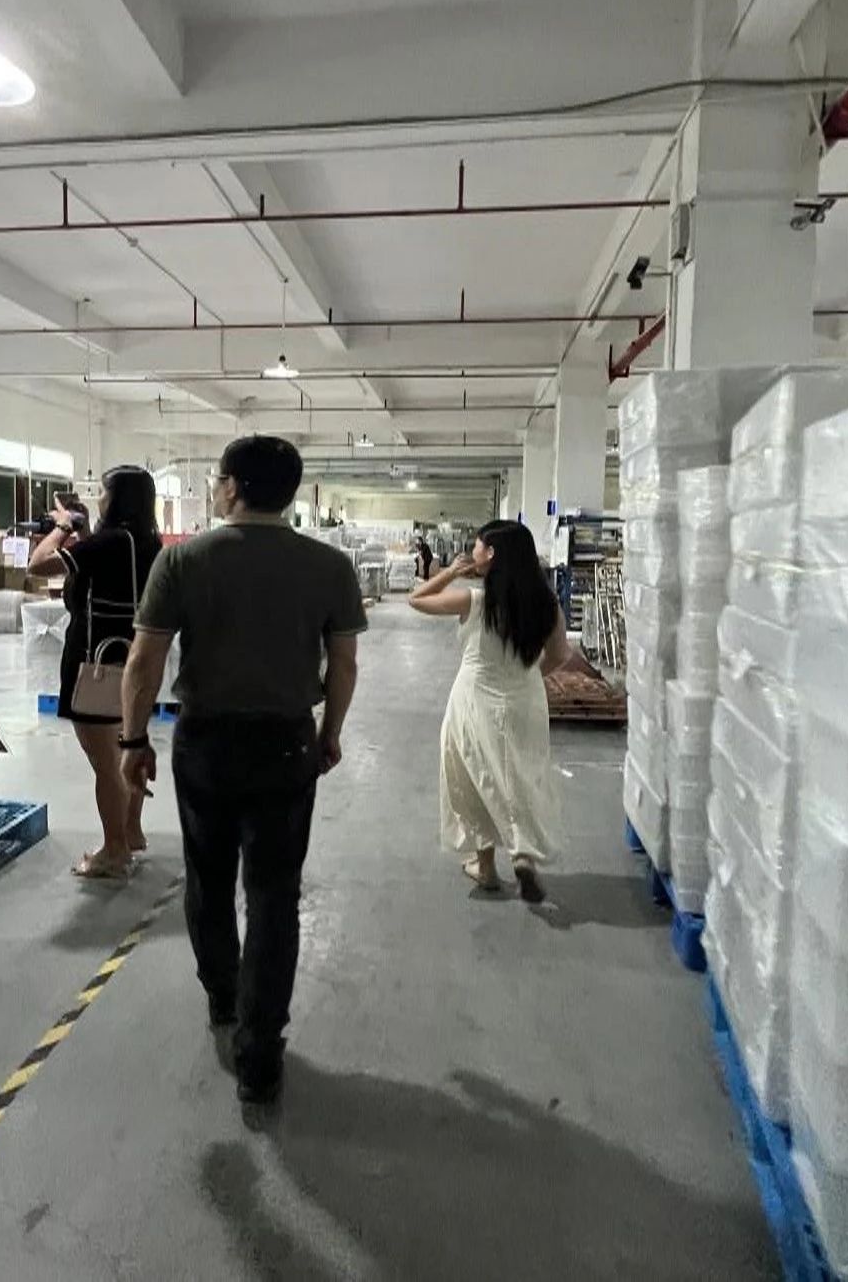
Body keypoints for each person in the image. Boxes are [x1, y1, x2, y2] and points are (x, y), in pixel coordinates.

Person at [118, 436, 366, 1104]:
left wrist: (132, 739)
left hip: (206, 741)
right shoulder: (328, 566)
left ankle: (223, 996)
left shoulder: (183, 561)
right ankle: (260, 1053)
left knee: (208, 876)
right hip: (286, 743)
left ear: (230, 486)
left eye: (216, 479)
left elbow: (143, 662)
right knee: (274, 894)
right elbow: (343, 665)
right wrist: (329, 733)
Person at [409, 519, 570, 902]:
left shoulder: (475, 601)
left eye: (478, 546)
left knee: (473, 777)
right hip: (525, 701)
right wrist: (527, 676)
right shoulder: (547, 605)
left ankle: (485, 867)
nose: (473, 552)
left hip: (474, 698)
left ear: (492, 554)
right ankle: (523, 854)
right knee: (520, 776)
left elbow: (417, 599)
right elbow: (559, 655)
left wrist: (451, 572)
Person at [29, 466, 163, 880]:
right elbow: (106, 572)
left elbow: (38, 565)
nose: (99, 499)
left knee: (106, 763)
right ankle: (132, 830)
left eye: (103, 492)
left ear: (117, 498)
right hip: (133, 663)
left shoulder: (111, 541)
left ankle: (114, 850)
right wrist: (85, 532)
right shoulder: (147, 542)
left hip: (95, 665)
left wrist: (62, 528)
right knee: (128, 746)